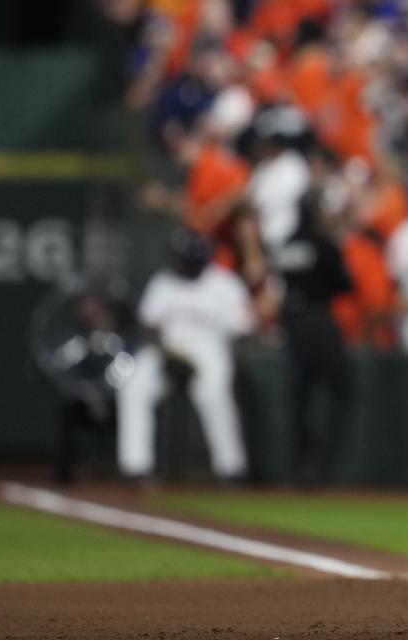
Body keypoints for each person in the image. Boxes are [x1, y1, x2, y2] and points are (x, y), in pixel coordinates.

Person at [117, 225, 255, 483]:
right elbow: (147, 326)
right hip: (165, 350)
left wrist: (235, 363)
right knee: (132, 385)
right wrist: (167, 354)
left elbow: (242, 330)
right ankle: (136, 466)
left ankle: (230, 468)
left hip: (208, 349)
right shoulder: (163, 282)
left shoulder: (224, 284)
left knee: (214, 392)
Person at [273, 189, 354, 485]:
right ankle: (322, 464)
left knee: (299, 397)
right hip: (319, 322)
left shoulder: (288, 244)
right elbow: (345, 285)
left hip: (293, 325)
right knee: (341, 391)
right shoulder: (324, 245)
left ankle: (296, 466)